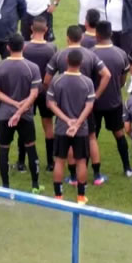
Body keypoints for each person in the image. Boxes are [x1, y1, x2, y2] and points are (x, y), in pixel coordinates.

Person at [44, 25, 111, 185]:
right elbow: (106, 74)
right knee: (91, 138)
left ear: (67, 38)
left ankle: (73, 177)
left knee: (68, 137)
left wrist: (55, 93)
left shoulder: (59, 55)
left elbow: (46, 80)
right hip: (85, 105)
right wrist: (95, 96)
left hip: (64, 106)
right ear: (81, 38)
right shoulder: (90, 54)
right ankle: (96, 175)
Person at [0, 34, 42, 192]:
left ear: (7, 48)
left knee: (3, 149)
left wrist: (12, 105)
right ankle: (35, 185)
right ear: (24, 47)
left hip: (5, 114)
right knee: (31, 148)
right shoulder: (32, 67)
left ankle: (5, 186)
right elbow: (34, 95)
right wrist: (19, 110)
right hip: (25, 115)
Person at [47, 49, 95, 205]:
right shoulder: (87, 82)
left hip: (61, 128)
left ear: (67, 60)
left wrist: (67, 121)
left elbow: (51, 104)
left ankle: (58, 196)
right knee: (81, 161)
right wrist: (78, 123)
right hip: (81, 130)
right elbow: (89, 106)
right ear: (81, 63)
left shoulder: (56, 81)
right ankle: (81, 197)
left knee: (59, 161)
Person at [92, 21, 132, 176]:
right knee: (119, 134)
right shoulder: (121, 54)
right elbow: (123, 79)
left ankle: (95, 173)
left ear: (97, 34)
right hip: (114, 101)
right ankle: (127, 168)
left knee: (92, 137)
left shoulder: (91, 53)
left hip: (94, 103)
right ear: (110, 34)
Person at [22, 16, 57, 171]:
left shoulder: (24, 47)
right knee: (48, 125)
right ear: (46, 29)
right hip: (45, 90)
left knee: (23, 123)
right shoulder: (52, 48)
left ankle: (21, 162)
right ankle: (50, 162)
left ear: (31, 28)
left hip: (27, 91)